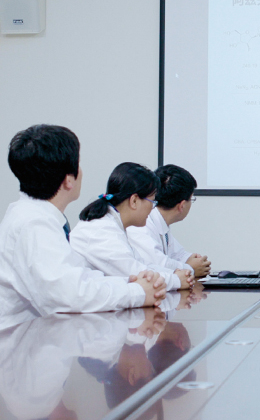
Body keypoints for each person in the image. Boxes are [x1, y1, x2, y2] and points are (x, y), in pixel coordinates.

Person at [0, 124, 166, 317]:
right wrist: (137, 293)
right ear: (69, 180)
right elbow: (70, 295)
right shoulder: (34, 224)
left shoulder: (34, 216)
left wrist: (129, 282)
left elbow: (79, 276)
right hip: (26, 334)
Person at [70, 163, 194, 292]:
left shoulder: (114, 225)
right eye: (152, 202)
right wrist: (176, 280)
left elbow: (144, 265)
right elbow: (135, 275)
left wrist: (175, 274)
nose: (153, 208)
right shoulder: (101, 231)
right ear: (134, 201)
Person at [127, 164, 211, 278]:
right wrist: (190, 269)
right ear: (182, 205)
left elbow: (178, 254)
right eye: (191, 199)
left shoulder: (160, 222)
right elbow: (158, 265)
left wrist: (196, 261)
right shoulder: (142, 225)